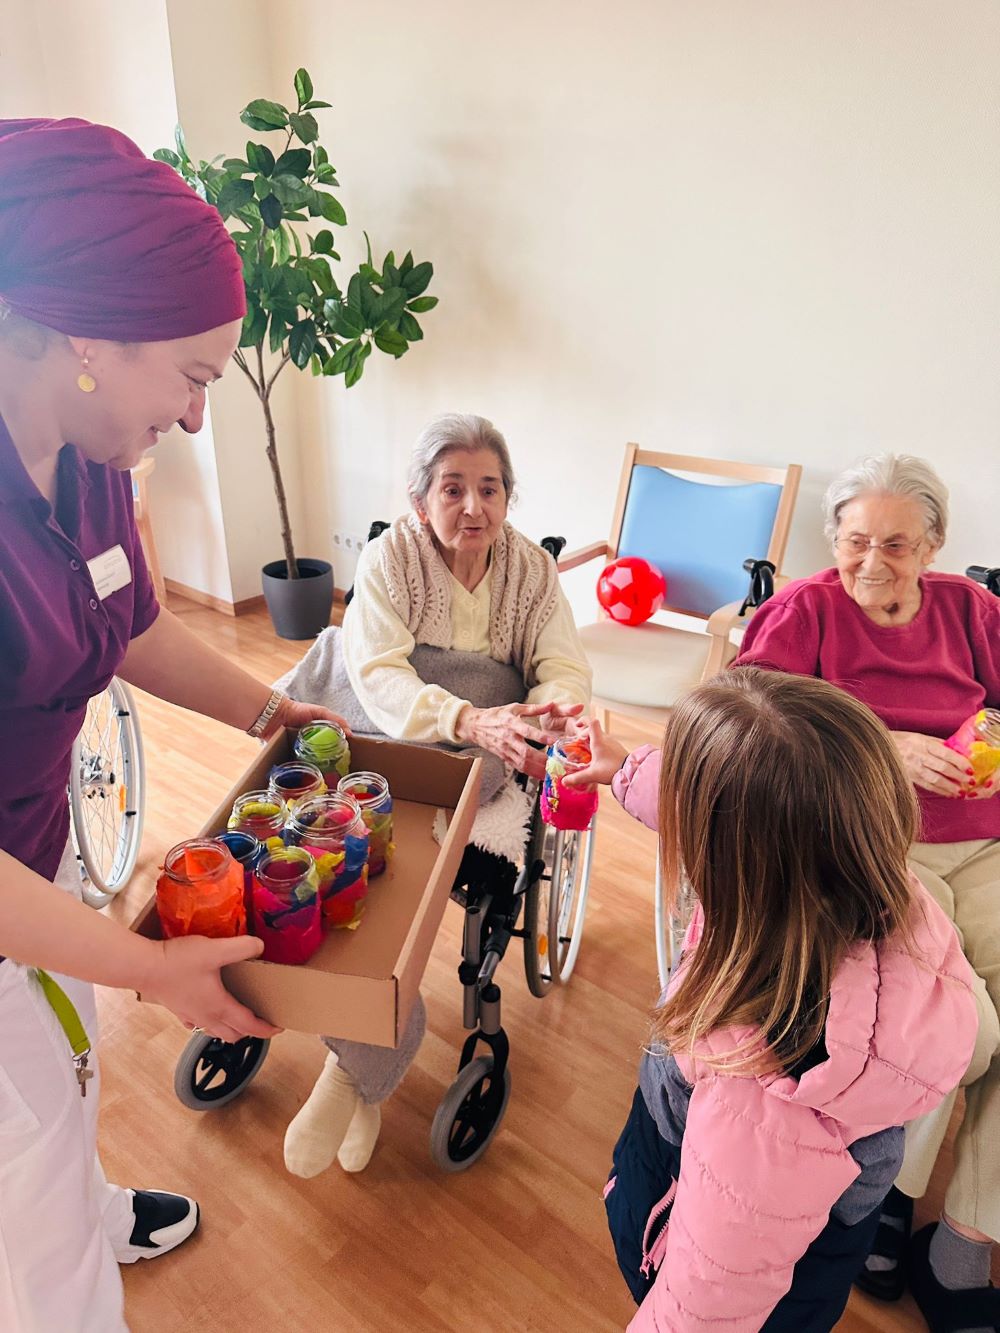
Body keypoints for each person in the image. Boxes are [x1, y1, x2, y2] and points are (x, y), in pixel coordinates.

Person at [0, 117, 346, 1332]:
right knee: (23, 1153)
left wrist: (266, 705)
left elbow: (127, 622)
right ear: (86, 332)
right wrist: (154, 966)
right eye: (193, 375)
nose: (200, 417)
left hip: (33, 849)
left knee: (62, 1054)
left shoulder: (87, 451)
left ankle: (80, 1211)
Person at [576, 670, 977, 1331]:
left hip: (710, 1240)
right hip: (800, 1243)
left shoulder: (766, 1088)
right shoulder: (862, 882)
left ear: (729, 857)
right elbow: (741, 806)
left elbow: (708, 1297)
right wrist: (625, 770)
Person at [723, 454, 1000, 1330]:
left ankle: (961, 1240)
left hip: (985, 837)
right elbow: (742, 716)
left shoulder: (973, 608)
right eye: (852, 543)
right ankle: (888, 1189)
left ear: (935, 546)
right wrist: (880, 741)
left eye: (894, 544)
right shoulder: (804, 610)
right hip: (873, 845)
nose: (871, 564)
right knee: (969, 1031)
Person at [281, 412, 592, 1179]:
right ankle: (363, 1059)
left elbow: (561, 665)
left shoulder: (531, 572)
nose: (473, 507)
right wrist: (461, 715)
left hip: (474, 732)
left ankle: (353, 1071)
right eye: (453, 489)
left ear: (509, 498)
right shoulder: (392, 559)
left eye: (489, 489)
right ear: (421, 500)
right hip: (391, 709)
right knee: (337, 790)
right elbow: (379, 672)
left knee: (484, 748)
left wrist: (543, 707)